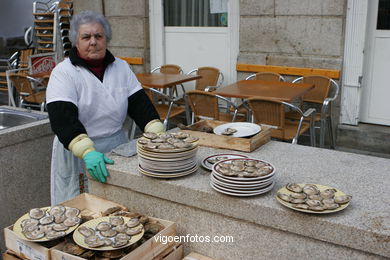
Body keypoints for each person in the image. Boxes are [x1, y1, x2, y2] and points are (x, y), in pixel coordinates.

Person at [46, 10, 164, 205]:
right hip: (79, 150)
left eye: (98, 36)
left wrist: (158, 133)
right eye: (86, 37)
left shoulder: (121, 67)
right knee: (79, 208)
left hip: (116, 146)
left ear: (106, 39)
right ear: (76, 41)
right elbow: (62, 119)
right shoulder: (63, 73)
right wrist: (87, 151)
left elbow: (140, 105)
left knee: (118, 205)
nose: (93, 41)